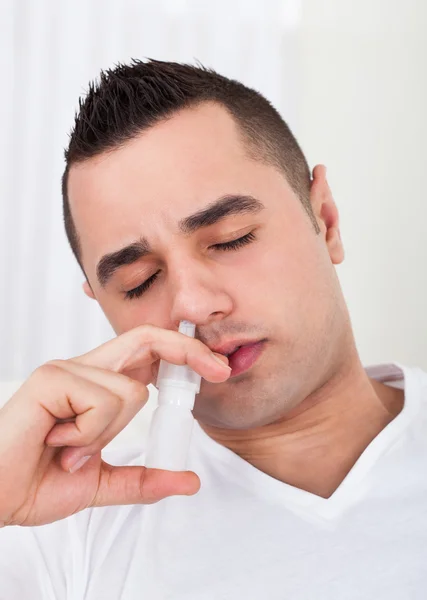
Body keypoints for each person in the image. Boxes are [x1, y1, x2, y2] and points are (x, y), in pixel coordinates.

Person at [0, 59, 426, 600]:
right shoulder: (57, 530)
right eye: (140, 281)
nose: (195, 304)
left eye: (231, 239)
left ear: (326, 218)